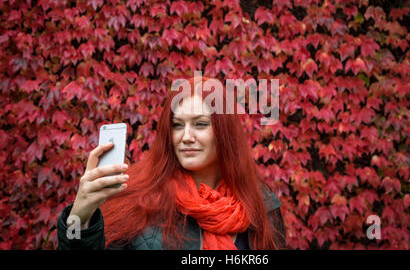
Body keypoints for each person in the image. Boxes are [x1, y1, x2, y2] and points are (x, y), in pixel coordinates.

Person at [57, 75, 286, 250]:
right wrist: (80, 217)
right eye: (177, 125)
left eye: (200, 124)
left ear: (225, 133)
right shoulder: (139, 199)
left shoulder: (262, 205)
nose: (185, 137)